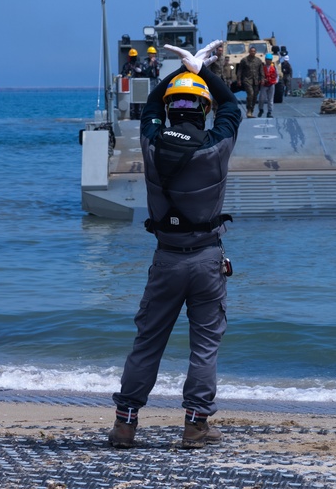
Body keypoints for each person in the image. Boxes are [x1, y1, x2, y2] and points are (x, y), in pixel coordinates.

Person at [109, 40, 241, 451]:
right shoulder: (215, 148)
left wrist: (177, 72)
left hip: (165, 259)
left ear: (169, 109)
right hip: (206, 260)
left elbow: (148, 110)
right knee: (204, 347)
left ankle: (126, 425)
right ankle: (195, 427)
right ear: (204, 110)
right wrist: (200, 70)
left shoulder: (151, 144)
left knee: (147, 343)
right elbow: (232, 109)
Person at [235, 45, 264, 119]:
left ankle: (251, 110)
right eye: (251, 51)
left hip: (256, 80)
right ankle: (248, 110)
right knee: (250, 93)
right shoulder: (244, 60)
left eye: (254, 51)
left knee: (254, 96)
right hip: (247, 80)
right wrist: (239, 80)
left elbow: (261, 71)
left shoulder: (258, 61)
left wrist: (262, 79)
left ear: (256, 52)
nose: (252, 52)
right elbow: (240, 71)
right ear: (249, 52)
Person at [258, 53, 278, 118]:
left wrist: (275, 82)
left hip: (271, 84)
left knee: (270, 99)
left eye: (269, 60)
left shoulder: (274, 67)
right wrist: (262, 80)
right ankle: (261, 109)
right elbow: (260, 75)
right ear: (265, 60)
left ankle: (269, 112)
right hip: (264, 85)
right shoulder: (262, 67)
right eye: (267, 59)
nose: (268, 61)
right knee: (261, 98)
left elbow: (277, 75)